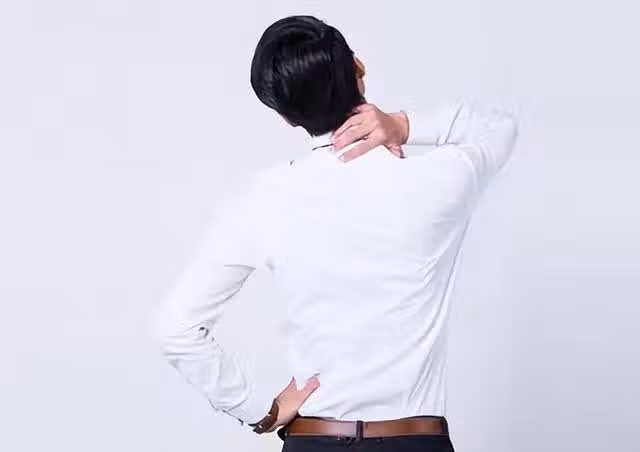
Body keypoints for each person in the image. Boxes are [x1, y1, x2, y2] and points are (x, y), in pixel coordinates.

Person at [154, 15, 518, 452]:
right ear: (358, 67)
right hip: (415, 441)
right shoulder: (440, 179)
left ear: (286, 117)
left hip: (316, 441)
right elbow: (499, 127)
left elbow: (177, 328)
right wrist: (402, 124)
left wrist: (256, 409)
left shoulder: (264, 199)